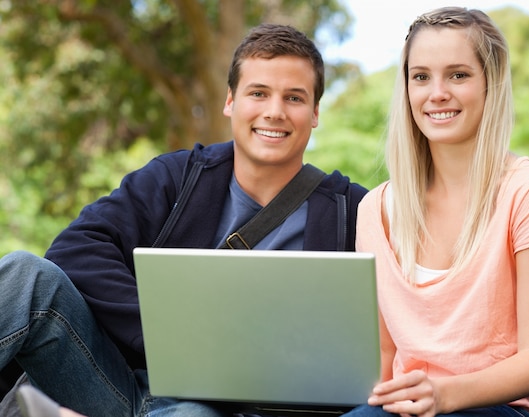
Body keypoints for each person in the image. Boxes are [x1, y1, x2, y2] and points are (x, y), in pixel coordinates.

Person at [0, 23, 367, 417]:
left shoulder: (354, 211)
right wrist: (166, 333)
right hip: (114, 385)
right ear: (231, 101)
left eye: (293, 98)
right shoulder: (179, 176)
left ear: (314, 113)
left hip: (222, 411)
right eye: (258, 93)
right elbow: (76, 249)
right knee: (26, 276)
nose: (274, 112)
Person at [345, 7, 529, 417]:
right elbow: (386, 354)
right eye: (421, 77)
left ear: (491, 84)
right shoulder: (374, 209)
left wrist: (444, 394)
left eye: (458, 74)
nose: (437, 92)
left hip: (502, 408)